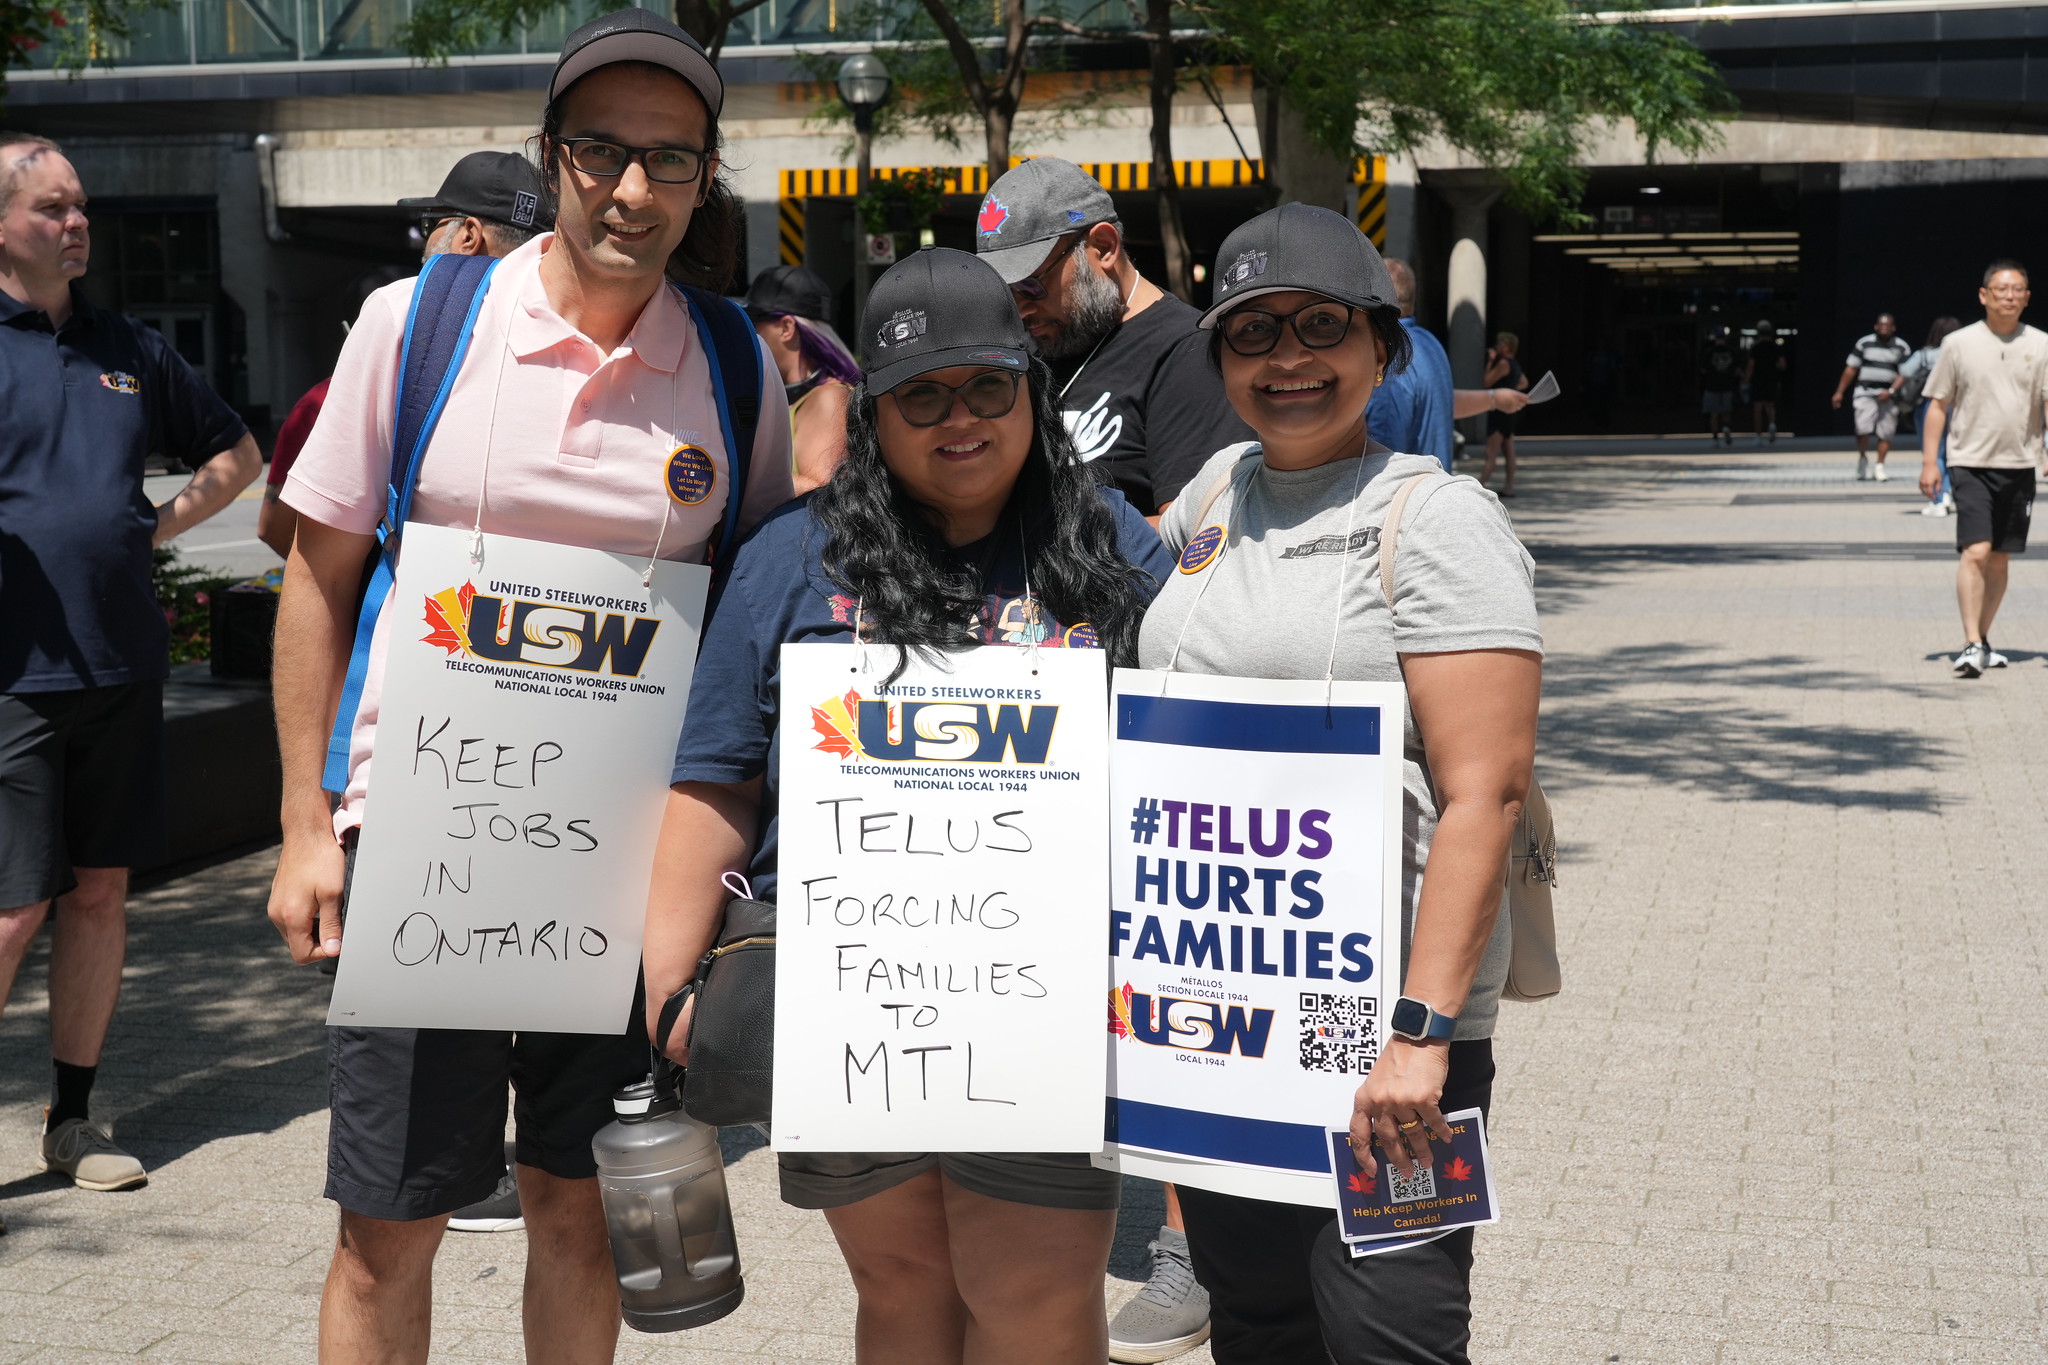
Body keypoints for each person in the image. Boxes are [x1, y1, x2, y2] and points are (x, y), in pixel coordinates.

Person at [264, 11, 793, 1358]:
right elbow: (316, 578)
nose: (631, 190)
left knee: (581, 1210)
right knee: (388, 1226)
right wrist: (305, 826)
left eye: (669, 161)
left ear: (705, 179)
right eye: (602, 151)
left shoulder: (735, 372)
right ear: (551, 156)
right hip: (423, 855)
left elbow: (753, 625)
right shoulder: (421, 324)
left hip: (625, 871)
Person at [649, 246, 1172, 1363]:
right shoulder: (790, 559)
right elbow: (713, 781)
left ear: (1029, 390)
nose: (960, 418)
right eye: (921, 396)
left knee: (1031, 1298)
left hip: (1053, 1002)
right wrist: (666, 995)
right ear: (874, 412)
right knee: (902, 1290)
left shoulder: (1118, 552)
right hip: (849, 999)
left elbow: (1195, 778)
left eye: (988, 386)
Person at [1142, 203, 1540, 1364]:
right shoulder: (1215, 489)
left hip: (1389, 1035)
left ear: (1381, 347)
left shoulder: (1434, 518)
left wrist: (1417, 1039)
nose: (1287, 360)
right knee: (1257, 1324)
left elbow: (1486, 795)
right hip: (1220, 1018)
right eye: (1251, 333)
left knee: (1392, 1335)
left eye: (1320, 327)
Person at [0, 132, 262, 1198]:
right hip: (10, 675)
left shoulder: (129, 348)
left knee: (100, 893)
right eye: (53, 207)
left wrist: (147, 526)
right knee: (13, 906)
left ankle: (74, 1118)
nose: (77, 224)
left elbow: (235, 452)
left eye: (81, 208)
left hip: (121, 665)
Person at [261, 157, 551, 558]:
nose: (422, 241)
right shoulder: (601, 334)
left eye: (430, 225)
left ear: (469, 236)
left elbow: (303, 540)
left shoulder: (402, 317)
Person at [974, 156, 1252, 518]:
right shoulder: (1029, 349)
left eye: (1030, 285)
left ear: (1104, 247)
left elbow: (1194, 535)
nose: (1020, 308)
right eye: (1005, 291)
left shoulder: (1188, 351)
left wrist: (1044, 543)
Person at [1920, 261, 2048, 679]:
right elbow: (1938, 404)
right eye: (2000, 289)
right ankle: (1971, 640)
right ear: (1983, 295)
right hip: (1969, 461)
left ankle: (1983, 640)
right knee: (1975, 550)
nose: (2008, 296)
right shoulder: (1958, 344)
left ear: (2027, 297)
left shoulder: (2042, 344)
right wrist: (1928, 463)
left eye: (2017, 290)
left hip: (2020, 462)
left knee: (1999, 559)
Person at [1368, 258, 1528, 473]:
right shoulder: (1429, 343)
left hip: (1401, 499)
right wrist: (1493, 399)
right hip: (1430, 489)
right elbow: (1441, 403)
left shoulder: (1392, 355)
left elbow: (1381, 459)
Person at [743, 263, 860, 493]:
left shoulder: (829, 398)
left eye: (753, 323)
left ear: (786, 327)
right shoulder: (797, 397)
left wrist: (724, 475)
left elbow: (821, 492)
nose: (746, 332)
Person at [1832, 312, 1913, 480]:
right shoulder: (1864, 343)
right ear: (1876, 326)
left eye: (1887, 325)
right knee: (1862, 428)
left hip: (1889, 396)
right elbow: (1851, 368)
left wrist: (1891, 391)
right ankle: (1862, 457)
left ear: (1893, 328)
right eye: (1881, 325)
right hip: (1865, 392)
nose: (1884, 328)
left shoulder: (1901, 347)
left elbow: (1905, 373)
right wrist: (1839, 392)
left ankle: (1879, 465)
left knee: (1886, 432)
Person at [1900, 316, 1961, 517]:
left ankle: (1939, 497)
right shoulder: (1963, 352)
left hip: (1930, 405)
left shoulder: (1925, 355)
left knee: (1934, 451)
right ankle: (1950, 493)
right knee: (1952, 452)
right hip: (1958, 405)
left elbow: (1905, 370)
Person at [1479, 331, 1531, 493]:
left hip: (1499, 410)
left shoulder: (1503, 364)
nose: (1497, 346)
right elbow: (1524, 382)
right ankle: (1509, 486)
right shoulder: (1514, 363)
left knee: (1491, 452)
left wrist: (1490, 361)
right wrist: (1511, 390)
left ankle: (1479, 486)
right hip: (1509, 413)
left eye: (1500, 343)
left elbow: (1487, 382)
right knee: (1509, 450)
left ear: (1507, 346)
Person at [1746, 319, 1787, 445]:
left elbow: (1751, 365)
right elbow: (1783, 365)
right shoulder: (1776, 347)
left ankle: (1758, 435)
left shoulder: (1755, 347)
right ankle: (1772, 424)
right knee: (1770, 405)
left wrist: (1746, 379)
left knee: (1758, 408)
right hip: (1772, 379)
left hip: (1758, 380)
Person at [1700, 324, 1741, 447]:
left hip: (1712, 385)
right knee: (1726, 412)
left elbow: (1703, 370)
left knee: (1714, 413)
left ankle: (1715, 437)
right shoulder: (1731, 352)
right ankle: (1726, 427)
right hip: (1727, 385)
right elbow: (1737, 370)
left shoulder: (1709, 352)